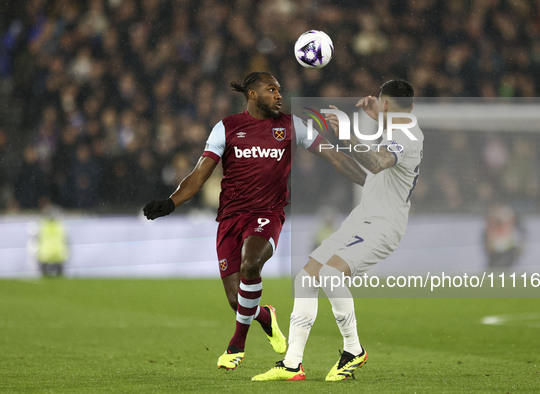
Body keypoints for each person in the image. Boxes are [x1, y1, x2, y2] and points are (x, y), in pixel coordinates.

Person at [143, 71, 366, 370]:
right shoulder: (227, 128)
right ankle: (265, 316)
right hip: (230, 218)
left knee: (251, 263)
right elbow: (200, 173)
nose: (278, 95)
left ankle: (236, 345)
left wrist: (371, 182)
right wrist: (171, 202)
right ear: (252, 94)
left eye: (279, 90)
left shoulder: (291, 126)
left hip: (267, 214)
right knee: (238, 303)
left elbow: (335, 156)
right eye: (271, 90)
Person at [252, 79, 423, 381]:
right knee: (306, 278)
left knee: (331, 274)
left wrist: (345, 131)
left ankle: (353, 350)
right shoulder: (398, 127)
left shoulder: (407, 137)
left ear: (386, 104)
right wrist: (377, 116)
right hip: (363, 218)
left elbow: (376, 161)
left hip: (383, 225)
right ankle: (292, 363)